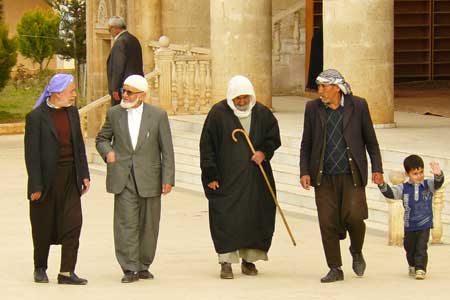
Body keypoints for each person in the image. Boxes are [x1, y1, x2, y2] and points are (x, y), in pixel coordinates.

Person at [299, 69, 383, 283]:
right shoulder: (312, 109)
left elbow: (371, 141)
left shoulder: (359, 106)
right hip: (323, 175)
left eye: (323, 87)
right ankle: (335, 267)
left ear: (337, 88)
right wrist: (304, 171)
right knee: (327, 222)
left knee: (355, 216)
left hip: (351, 173)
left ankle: (356, 250)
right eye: (318, 87)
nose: (320, 91)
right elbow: (306, 143)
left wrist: (377, 168)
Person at [200, 75, 281, 279]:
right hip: (227, 178)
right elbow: (207, 147)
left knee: (254, 217)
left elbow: (273, 138)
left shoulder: (262, 113)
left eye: (245, 98)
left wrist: (263, 152)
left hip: (256, 180)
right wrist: (210, 174)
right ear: (231, 98)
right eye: (238, 99)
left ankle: (249, 260)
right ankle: (226, 261)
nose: (242, 102)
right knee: (226, 218)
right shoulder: (218, 114)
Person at [96, 74, 175, 283]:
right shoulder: (114, 114)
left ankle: (143, 265)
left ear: (142, 95)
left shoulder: (158, 115)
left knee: (149, 224)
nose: (125, 95)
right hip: (123, 177)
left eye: (129, 92)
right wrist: (108, 153)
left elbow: (167, 150)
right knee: (126, 223)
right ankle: (129, 268)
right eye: (124, 90)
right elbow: (102, 138)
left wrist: (168, 178)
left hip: (150, 177)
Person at [24, 74, 90, 285]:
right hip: (46, 180)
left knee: (73, 224)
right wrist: (35, 185)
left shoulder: (72, 113)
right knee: (42, 225)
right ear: (57, 93)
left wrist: (85, 174)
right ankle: (40, 267)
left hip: (71, 176)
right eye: (71, 91)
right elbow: (31, 154)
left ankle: (66, 272)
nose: (74, 95)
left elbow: (78, 145)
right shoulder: (36, 117)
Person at [378, 155, 444, 280]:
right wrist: (381, 184)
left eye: (421, 172)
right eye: (415, 173)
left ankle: (420, 268)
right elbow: (391, 193)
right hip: (410, 225)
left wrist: (438, 174)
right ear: (408, 174)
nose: (419, 176)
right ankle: (412, 265)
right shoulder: (404, 188)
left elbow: (438, 183)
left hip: (425, 224)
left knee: (421, 247)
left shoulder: (428, 185)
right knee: (409, 247)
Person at [107, 16, 144, 106]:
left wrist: (115, 88)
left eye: (110, 28)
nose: (109, 31)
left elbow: (118, 67)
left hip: (124, 87)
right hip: (135, 85)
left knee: (121, 115)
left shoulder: (120, 42)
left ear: (115, 28)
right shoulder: (134, 39)